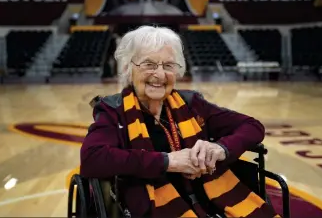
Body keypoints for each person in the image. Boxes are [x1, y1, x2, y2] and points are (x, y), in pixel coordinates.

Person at [80, 26, 278, 218]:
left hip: (212, 203)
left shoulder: (193, 104)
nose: (159, 74)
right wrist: (168, 161)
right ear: (127, 68)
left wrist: (220, 149)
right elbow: (92, 159)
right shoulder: (113, 111)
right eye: (149, 64)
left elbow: (252, 126)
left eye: (168, 66)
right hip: (154, 208)